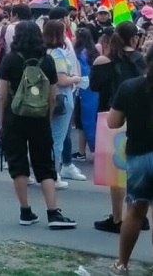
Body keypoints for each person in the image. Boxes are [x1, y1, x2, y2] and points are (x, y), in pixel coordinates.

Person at [0, 21, 78, 229]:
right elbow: (53, 96)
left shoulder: (10, 59)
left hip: (15, 117)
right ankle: (53, 212)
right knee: (44, 164)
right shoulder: (48, 60)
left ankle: (25, 211)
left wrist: (1, 122)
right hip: (40, 118)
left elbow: (3, 95)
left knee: (18, 163)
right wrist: (47, 118)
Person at [90, 21, 149, 234]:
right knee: (136, 167)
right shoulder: (141, 59)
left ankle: (116, 218)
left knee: (114, 172)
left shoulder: (103, 60)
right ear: (134, 38)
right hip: (139, 117)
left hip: (110, 114)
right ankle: (139, 214)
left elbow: (95, 86)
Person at [107, 45, 153, 275]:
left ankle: (122, 263)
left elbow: (113, 122)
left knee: (135, 211)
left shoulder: (131, 86)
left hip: (139, 155)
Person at [43, 20, 85, 188]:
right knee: (57, 139)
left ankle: (49, 173)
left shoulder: (44, 51)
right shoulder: (58, 53)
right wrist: (76, 78)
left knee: (50, 137)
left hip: (48, 97)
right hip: (61, 98)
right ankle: (53, 175)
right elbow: (62, 80)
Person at [72, 27, 100, 160]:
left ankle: (82, 151)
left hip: (80, 91)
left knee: (81, 122)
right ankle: (95, 149)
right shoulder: (94, 52)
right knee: (93, 120)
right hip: (94, 91)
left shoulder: (76, 53)